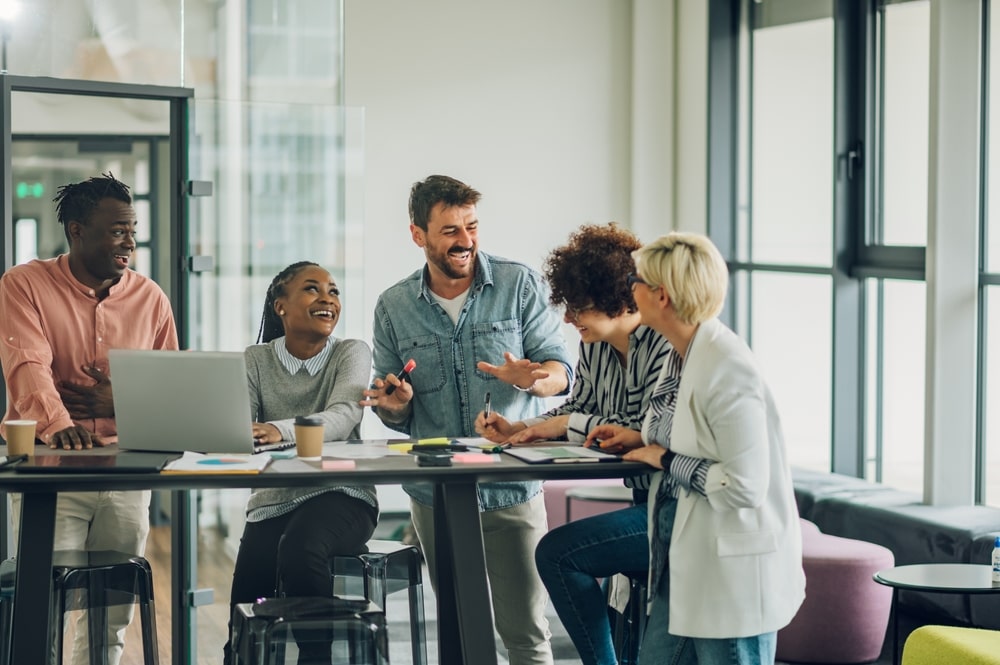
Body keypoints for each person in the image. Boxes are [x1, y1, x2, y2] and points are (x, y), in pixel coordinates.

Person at [360, 174, 573, 665]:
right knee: (457, 632)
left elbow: (560, 373)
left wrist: (532, 379)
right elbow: (397, 409)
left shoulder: (518, 285)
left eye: (472, 226)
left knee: (525, 636)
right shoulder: (393, 307)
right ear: (418, 235)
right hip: (436, 496)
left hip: (511, 488)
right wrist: (396, 406)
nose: (466, 241)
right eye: (451, 230)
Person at [588, 232, 805, 665]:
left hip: (731, 580)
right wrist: (642, 439)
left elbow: (744, 486)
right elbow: (691, 433)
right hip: (683, 568)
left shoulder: (728, 368)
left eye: (636, 280)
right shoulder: (679, 354)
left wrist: (665, 460)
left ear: (661, 296)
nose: (629, 287)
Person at [475, 222, 674, 665]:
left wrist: (567, 422)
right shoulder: (597, 344)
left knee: (559, 554)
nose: (567, 319)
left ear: (617, 298)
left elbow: (647, 426)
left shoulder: (666, 341)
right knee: (568, 556)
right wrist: (521, 430)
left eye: (578, 306)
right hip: (646, 500)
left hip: (677, 508)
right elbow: (579, 410)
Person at [0, 173, 179, 665]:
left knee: (111, 611)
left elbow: (170, 383)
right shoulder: (24, 285)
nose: (129, 241)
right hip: (50, 469)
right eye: (117, 230)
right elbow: (27, 367)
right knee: (46, 605)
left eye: (132, 229)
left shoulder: (151, 298)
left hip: (127, 471)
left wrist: (116, 403)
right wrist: (59, 423)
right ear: (77, 230)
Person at [223, 261, 378, 665]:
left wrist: (278, 430)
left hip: (343, 494)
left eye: (334, 291)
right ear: (281, 307)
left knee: (300, 546)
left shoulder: (351, 352)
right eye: (312, 289)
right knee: (247, 603)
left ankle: (315, 658)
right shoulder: (255, 359)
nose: (328, 298)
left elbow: (345, 416)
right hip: (275, 498)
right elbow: (244, 431)